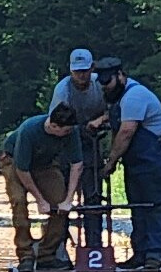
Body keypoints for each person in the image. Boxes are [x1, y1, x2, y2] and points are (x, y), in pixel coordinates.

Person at [96, 57, 161, 270]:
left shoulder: (136, 95)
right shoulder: (120, 97)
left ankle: (154, 254)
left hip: (157, 155)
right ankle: (140, 254)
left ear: (120, 76)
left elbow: (125, 132)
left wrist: (110, 163)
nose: (106, 88)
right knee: (138, 205)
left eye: (109, 83)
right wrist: (100, 121)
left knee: (158, 204)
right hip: (137, 160)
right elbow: (116, 115)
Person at [0, 103, 84, 271]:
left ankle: (47, 254)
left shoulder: (71, 131)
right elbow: (22, 170)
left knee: (60, 202)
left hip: (45, 164)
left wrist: (68, 199)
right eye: (65, 131)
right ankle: (25, 254)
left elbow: (77, 164)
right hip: (15, 162)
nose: (68, 134)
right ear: (53, 126)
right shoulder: (29, 131)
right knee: (19, 201)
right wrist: (40, 200)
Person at [49, 48, 108, 246]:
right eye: (77, 71)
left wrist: (100, 120)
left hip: (93, 142)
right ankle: (59, 246)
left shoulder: (102, 84)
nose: (81, 75)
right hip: (67, 143)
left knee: (93, 196)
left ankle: (95, 245)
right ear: (71, 70)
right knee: (63, 196)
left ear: (92, 68)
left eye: (85, 70)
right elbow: (56, 121)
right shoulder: (62, 90)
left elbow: (118, 108)